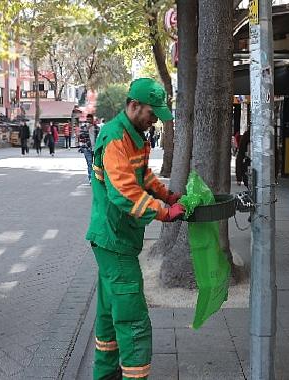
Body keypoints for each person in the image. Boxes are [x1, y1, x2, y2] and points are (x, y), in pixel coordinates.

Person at [86, 78, 184, 380]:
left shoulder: (135, 137)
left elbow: (143, 177)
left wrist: (166, 194)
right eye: (151, 113)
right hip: (114, 241)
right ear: (133, 105)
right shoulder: (115, 139)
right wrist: (164, 213)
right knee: (133, 320)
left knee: (108, 313)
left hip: (115, 240)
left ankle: (105, 374)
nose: (154, 119)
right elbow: (125, 192)